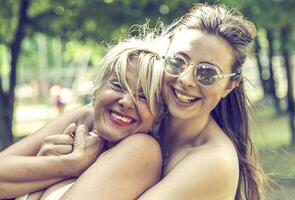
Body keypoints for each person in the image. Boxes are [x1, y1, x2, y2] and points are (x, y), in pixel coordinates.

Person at [43, 3, 265, 200]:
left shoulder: (213, 162)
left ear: (230, 85)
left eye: (207, 73)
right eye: (178, 62)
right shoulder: (139, 120)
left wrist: (58, 173)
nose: (186, 80)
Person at [0, 37, 164, 200]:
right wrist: (68, 165)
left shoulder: (143, 149)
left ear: (157, 116)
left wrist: (64, 165)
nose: (127, 102)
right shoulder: (84, 120)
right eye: (118, 86)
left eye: (143, 97)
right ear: (96, 91)